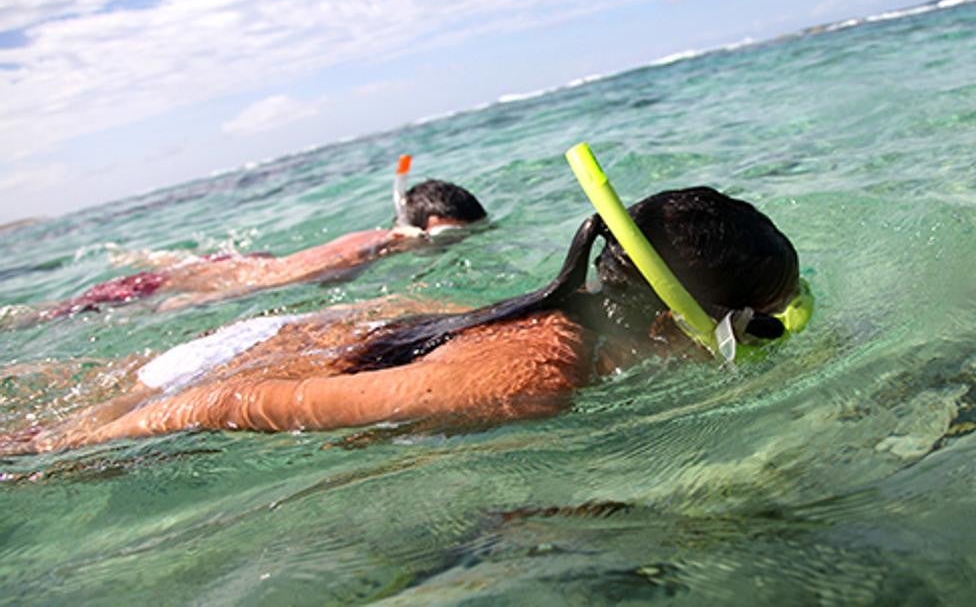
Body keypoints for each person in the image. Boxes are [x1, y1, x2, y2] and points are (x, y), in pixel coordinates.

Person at [0, 185, 809, 455]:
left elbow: (364, 318)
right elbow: (224, 405)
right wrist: (65, 443)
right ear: (682, 325)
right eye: (759, 330)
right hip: (204, 386)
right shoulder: (532, 377)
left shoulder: (535, 314)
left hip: (240, 344)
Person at [7, 178, 487, 324]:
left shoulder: (376, 240)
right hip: (213, 281)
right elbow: (280, 284)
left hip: (242, 264)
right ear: (413, 230)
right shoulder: (374, 244)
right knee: (52, 315)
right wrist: (198, 301)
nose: (453, 246)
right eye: (446, 237)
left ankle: (148, 256)